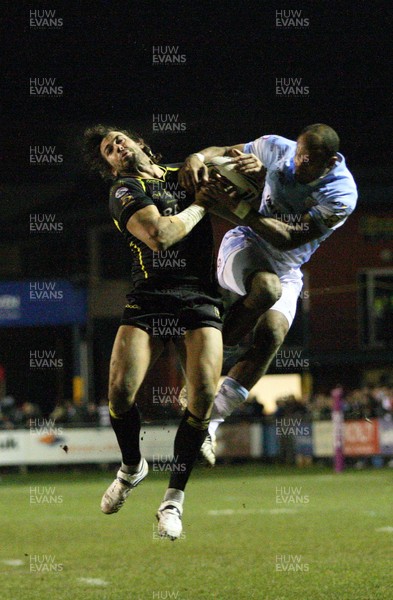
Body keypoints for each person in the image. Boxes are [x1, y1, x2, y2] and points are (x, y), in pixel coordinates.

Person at [179, 123, 358, 465]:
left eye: (308, 162)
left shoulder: (341, 194)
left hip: (287, 263)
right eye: (299, 155)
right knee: (265, 288)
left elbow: (288, 239)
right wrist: (197, 157)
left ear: (331, 161)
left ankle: (210, 423)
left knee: (273, 333)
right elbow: (222, 150)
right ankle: (202, 368)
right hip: (245, 242)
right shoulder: (278, 148)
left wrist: (238, 206)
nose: (298, 164)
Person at [82, 125, 223, 539]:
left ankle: (173, 502)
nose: (117, 148)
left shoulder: (184, 171)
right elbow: (160, 237)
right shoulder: (124, 191)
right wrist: (200, 205)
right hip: (150, 297)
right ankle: (131, 466)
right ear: (111, 165)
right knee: (120, 393)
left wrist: (202, 154)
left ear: (139, 142)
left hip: (198, 296)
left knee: (203, 396)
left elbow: (229, 151)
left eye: (119, 139)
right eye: (109, 150)